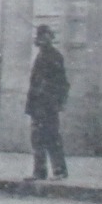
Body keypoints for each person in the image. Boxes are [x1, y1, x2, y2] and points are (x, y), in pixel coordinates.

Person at [24, 25, 69, 181]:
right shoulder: (40, 56)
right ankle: (39, 172)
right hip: (38, 106)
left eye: (45, 36)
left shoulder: (55, 56)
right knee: (37, 139)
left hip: (48, 106)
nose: (41, 39)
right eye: (40, 36)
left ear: (50, 38)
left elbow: (62, 83)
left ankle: (60, 171)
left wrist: (57, 102)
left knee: (52, 138)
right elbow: (34, 83)